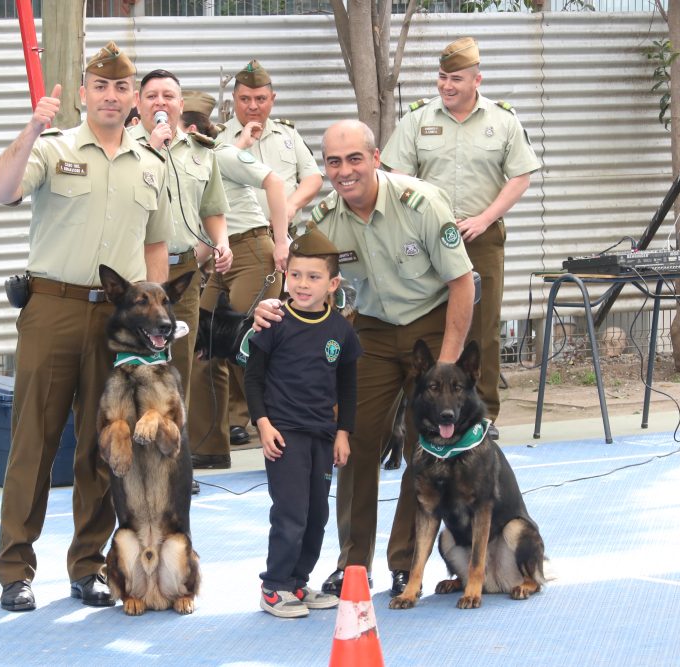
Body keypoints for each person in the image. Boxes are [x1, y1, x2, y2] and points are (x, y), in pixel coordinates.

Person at [254, 120, 475, 599]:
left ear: (376, 159)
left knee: (425, 450)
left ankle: (404, 563)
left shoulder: (422, 203)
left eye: (355, 159)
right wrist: (269, 304)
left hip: (429, 325)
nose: (344, 171)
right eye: (333, 161)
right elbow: (302, 278)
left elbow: (462, 283)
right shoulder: (328, 219)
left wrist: (448, 367)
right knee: (351, 442)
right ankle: (353, 565)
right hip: (371, 329)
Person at [0, 41, 172, 612]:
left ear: (134, 97)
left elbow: (156, 246)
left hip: (119, 323)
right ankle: (16, 568)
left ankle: (88, 565)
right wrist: (30, 127)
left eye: (121, 88)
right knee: (33, 443)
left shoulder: (151, 164)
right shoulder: (52, 147)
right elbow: (1, 190)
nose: (111, 97)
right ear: (85, 93)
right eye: (100, 87)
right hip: (54, 309)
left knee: (105, 444)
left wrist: (157, 327)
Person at [381, 37, 540, 439]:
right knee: (427, 323)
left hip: (480, 236)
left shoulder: (502, 120)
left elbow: (520, 176)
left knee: (482, 328)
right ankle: (422, 411)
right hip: (427, 239)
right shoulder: (418, 119)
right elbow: (393, 172)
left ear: (476, 79)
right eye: (441, 77)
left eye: (455, 79)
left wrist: (486, 218)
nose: (446, 86)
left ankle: (483, 415)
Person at [244, 228, 361, 619]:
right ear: (285, 276)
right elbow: (253, 378)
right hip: (285, 434)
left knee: (316, 514)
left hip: (323, 437)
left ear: (333, 283)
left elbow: (347, 384)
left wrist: (343, 431)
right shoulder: (274, 322)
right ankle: (274, 586)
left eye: (313, 277)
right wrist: (262, 423)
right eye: (295, 275)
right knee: (291, 511)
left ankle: (297, 581)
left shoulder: (340, 330)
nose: (302, 284)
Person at [218, 58, 324, 445]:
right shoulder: (222, 138)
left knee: (279, 328)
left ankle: (278, 411)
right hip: (237, 247)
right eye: (245, 98)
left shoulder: (287, 136)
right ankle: (237, 415)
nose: (253, 106)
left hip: (286, 247)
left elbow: (313, 177)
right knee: (238, 326)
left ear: (272, 99)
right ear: (234, 100)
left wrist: (292, 205)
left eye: (260, 98)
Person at [182, 90, 288, 470]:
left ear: (191, 129)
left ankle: (289, 437)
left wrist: (282, 241)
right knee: (202, 350)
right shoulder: (185, 163)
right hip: (223, 260)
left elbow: (274, 182)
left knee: (249, 349)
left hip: (254, 253)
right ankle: (209, 447)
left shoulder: (219, 154)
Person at [128, 69, 233, 402]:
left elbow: (212, 208)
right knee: (135, 368)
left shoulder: (201, 152)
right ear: (138, 103)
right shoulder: (123, 149)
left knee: (178, 371)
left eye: (168, 96)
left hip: (183, 276)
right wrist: (151, 150)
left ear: (180, 104)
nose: (160, 102)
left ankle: (172, 448)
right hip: (137, 273)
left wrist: (222, 242)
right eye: (152, 96)